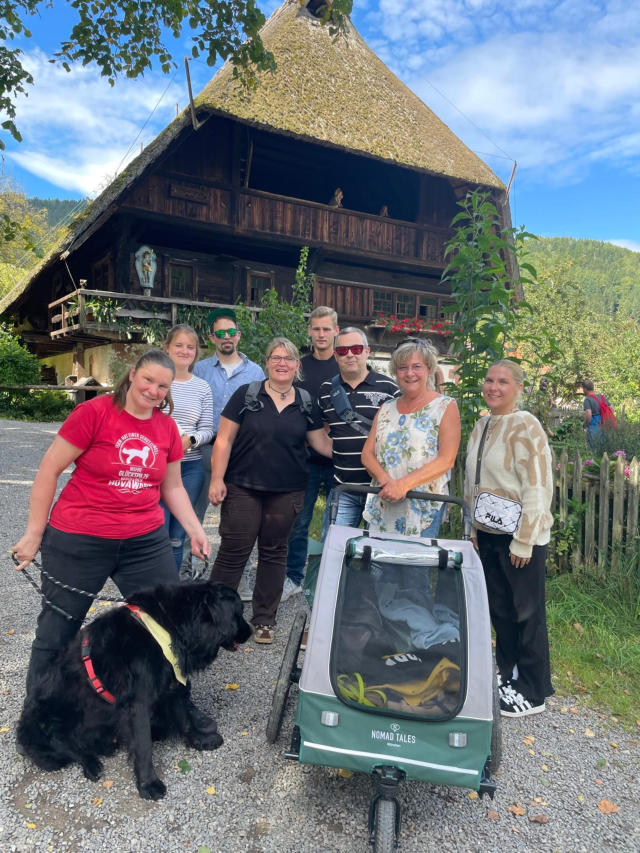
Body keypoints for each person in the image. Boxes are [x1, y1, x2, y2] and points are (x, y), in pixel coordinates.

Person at [12, 350, 210, 695]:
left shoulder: (166, 427)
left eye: (162, 386)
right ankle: (40, 711)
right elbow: (49, 469)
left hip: (144, 541)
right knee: (59, 629)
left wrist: (196, 530)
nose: (153, 391)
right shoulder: (94, 413)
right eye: (148, 380)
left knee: (168, 620)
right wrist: (33, 533)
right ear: (132, 374)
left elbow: (173, 487)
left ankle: (173, 704)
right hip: (80, 537)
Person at [208, 337, 332, 645]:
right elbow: (223, 440)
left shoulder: (306, 402)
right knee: (234, 551)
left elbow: (321, 444)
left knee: (275, 553)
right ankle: (213, 619)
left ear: (297, 365)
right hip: (242, 486)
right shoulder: (246, 394)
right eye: (276, 357)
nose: (282, 363)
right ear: (267, 362)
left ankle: (264, 619)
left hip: (287, 491)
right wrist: (217, 479)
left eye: (288, 358)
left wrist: (362, 451)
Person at [464, 359, 554, 718]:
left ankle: (533, 689)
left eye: (503, 381)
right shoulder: (482, 425)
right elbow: (473, 482)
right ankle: (509, 674)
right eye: (489, 380)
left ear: (518, 387)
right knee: (500, 609)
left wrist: (525, 539)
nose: (493, 387)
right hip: (488, 532)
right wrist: (472, 528)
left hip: (519, 536)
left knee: (526, 613)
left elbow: (537, 483)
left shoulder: (526, 426)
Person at [184, 308, 264, 579]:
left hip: (242, 452)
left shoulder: (256, 372)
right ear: (212, 338)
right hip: (204, 448)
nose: (226, 337)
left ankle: (238, 574)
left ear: (238, 335)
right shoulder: (200, 370)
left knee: (242, 515)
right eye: (220, 333)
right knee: (193, 510)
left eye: (231, 332)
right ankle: (185, 571)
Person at [362, 339, 460, 537]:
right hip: (384, 501)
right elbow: (367, 454)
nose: (409, 373)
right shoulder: (386, 408)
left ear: (429, 369)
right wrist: (387, 483)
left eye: (417, 367)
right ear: (395, 372)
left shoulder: (445, 407)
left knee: (414, 557)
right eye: (402, 368)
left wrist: (403, 485)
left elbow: (446, 459)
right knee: (377, 556)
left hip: (423, 505)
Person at [282, 307, 340, 602]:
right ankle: (293, 577)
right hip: (303, 457)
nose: (321, 334)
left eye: (326, 329)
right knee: (298, 521)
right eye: (316, 329)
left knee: (337, 523)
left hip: (338, 458)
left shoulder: (344, 363)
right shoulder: (299, 367)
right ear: (309, 331)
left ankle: (332, 581)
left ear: (336, 331)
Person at [318, 327, 398, 536]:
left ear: (367, 351)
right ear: (335, 355)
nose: (350, 355)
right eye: (342, 350)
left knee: (377, 551)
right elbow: (324, 430)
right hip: (343, 488)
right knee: (334, 548)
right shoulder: (326, 390)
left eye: (356, 349)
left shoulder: (390, 389)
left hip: (380, 489)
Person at [162, 324, 214, 570]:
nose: (184, 351)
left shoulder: (202, 387)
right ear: (167, 348)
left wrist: (190, 440)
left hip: (190, 467)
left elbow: (208, 429)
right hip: (159, 466)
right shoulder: (159, 380)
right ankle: (154, 582)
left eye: (190, 347)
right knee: (158, 528)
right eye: (179, 345)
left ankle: (174, 581)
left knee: (178, 533)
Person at [582, 379, 610, 447]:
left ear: (585, 389)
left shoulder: (587, 399)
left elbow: (588, 414)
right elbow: (611, 409)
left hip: (594, 426)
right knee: (603, 447)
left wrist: (585, 425)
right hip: (604, 424)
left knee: (594, 447)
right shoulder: (602, 397)